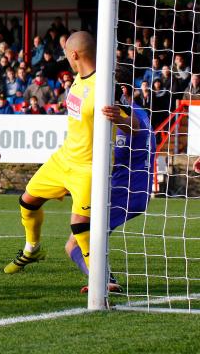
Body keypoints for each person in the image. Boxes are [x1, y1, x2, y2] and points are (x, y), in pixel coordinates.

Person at [4, 31, 97, 274]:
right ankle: (32, 248)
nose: (65, 59)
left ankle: (101, 277)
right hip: (64, 158)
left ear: (74, 54)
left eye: (66, 54)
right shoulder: (78, 77)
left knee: (79, 227)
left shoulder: (105, 87)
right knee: (27, 202)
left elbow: (132, 124)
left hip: (88, 167)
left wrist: (122, 118)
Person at [66, 69, 155, 293]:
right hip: (136, 191)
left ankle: (103, 281)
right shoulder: (139, 113)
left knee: (74, 242)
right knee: (91, 238)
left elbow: (128, 136)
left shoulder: (123, 117)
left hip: (124, 191)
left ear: (120, 90)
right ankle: (106, 277)